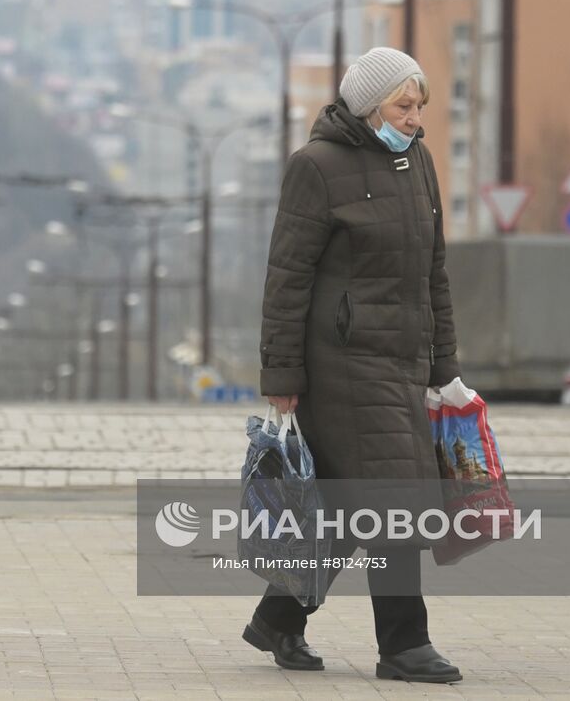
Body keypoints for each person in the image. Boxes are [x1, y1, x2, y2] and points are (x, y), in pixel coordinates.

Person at [242, 47, 463, 684]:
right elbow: (287, 277)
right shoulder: (316, 166)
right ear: (369, 107)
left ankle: (279, 617)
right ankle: (403, 645)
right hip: (339, 363)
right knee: (394, 498)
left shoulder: (416, 162)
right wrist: (281, 378)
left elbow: (434, 272)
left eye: (420, 105)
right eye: (404, 105)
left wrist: (443, 363)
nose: (416, 117)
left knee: (343, 507)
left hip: (401, 360)